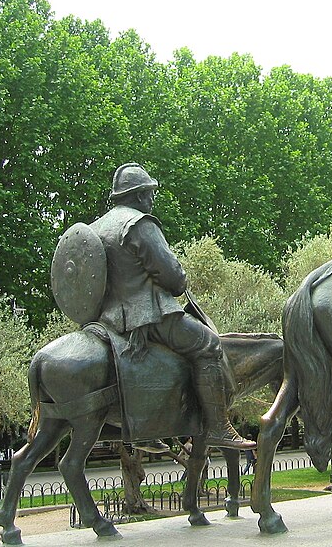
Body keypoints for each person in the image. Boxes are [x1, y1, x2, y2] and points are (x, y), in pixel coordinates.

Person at [91, 163, 254, 450]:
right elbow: (173, 278)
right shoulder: (140, 224)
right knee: (210, 345)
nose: (152, 199)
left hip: (107, 321)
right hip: (150, 315)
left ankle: (151, 427)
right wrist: (180, 279)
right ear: (140, 195)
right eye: (150, 193)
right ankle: (218, 427)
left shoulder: (95, 229)